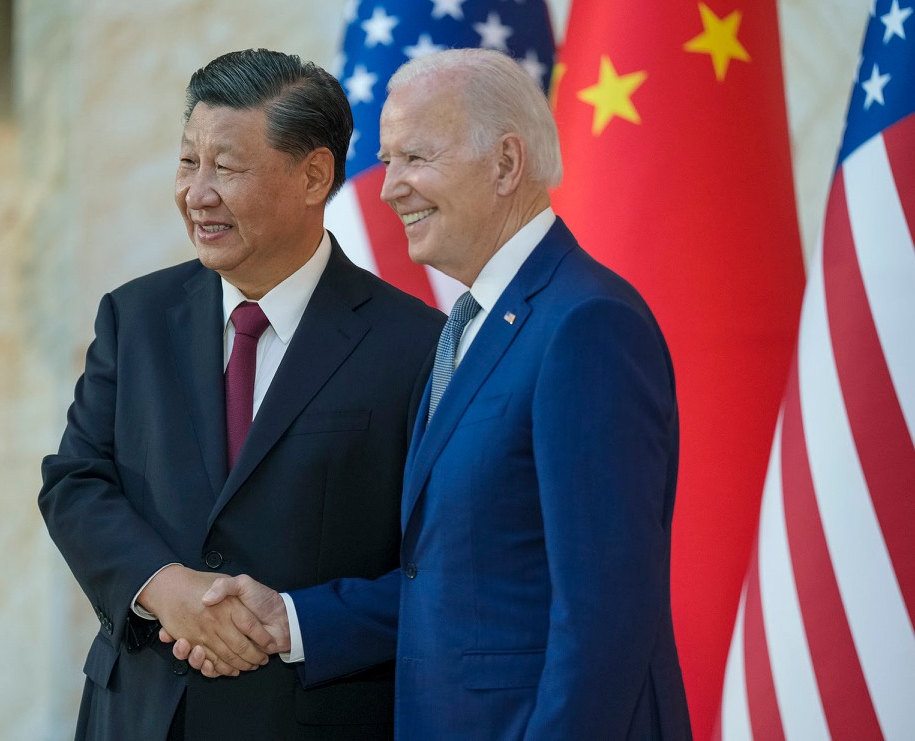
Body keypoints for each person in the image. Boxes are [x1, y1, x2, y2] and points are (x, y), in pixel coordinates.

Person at [182, 48, 693, 739]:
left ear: (506, 164)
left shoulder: (584, 324)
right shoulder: (469, 327)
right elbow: (455, 579)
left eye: (414, 158)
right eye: (387, 159)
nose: (388, 187)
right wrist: (293, 620)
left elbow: (606, 614)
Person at [39, 48, 444, 740]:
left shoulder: (416, 347)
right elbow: (75, 482)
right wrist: (163, 587)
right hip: (136, 716)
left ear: (313, 175)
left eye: (225, 168)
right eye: (187, 161)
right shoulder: (133, 318)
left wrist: (288, 623)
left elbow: (440, 568)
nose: (197, 193)